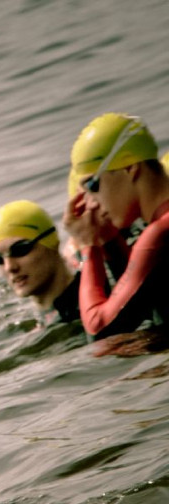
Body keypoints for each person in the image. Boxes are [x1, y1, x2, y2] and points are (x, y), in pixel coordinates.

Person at [64, 112, 169, 339]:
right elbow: (143, 302)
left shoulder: (159, 232)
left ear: (130, 168)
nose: (90, 203)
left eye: (92, 185)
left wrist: (88, 245)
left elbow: (101, 328)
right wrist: (108, 240)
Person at [0, 200, 81, 325]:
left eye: (20, 249)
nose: (9, 267)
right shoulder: (35, 321)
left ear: (52, 243)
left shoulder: (86, 307)